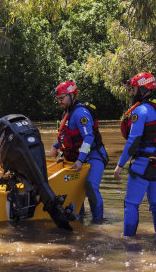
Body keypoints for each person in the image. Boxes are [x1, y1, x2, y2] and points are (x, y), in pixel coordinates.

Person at [113, 72, 156, 237]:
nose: (131, 93)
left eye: (133, 89)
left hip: (143, 162)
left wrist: (120, 165)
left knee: (131, 204)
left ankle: (128, 244)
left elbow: (133, 142)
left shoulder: (140, 110)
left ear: (142, 88)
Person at [49, 80, 108, 222]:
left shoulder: (80, 112)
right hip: (76, 157)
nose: (60, 102)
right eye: (58, 99)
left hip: (94, 156)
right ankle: (78, 220)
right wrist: (56, 146)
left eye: (62, 98)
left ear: (72, 95)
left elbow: (88, 137)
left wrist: (81, 159)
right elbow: (69, 135)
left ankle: (98, 222)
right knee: (73, 191)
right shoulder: (67, 113)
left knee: (90, 186)